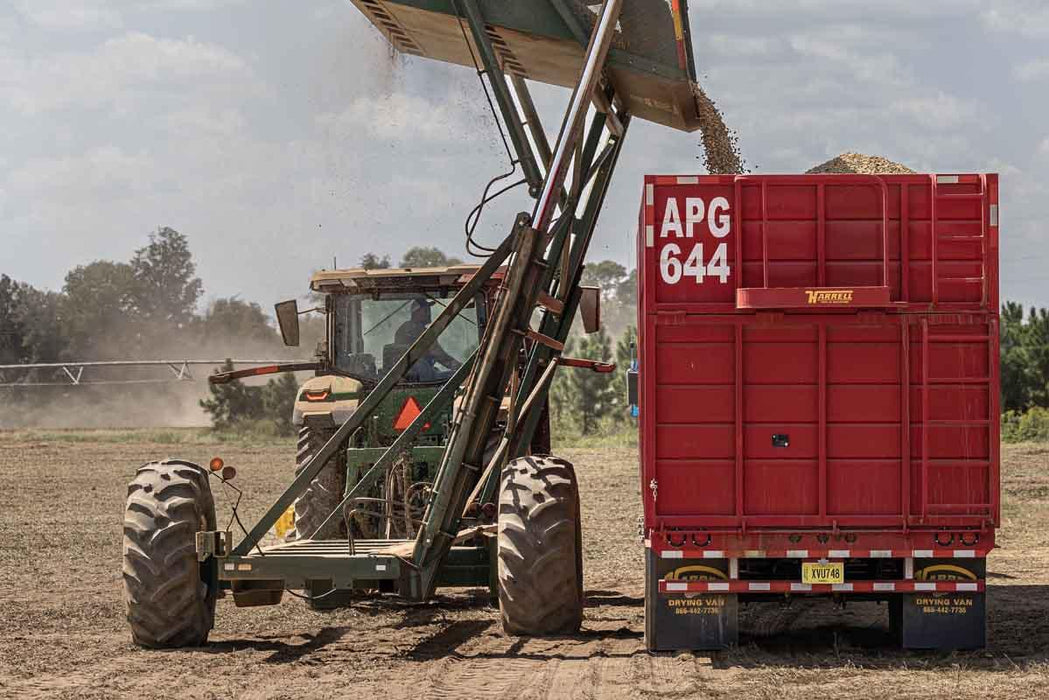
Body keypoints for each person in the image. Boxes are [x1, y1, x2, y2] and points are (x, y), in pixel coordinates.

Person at [394, 298, 462, 372]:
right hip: (420, 373)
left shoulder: (404, 328)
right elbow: (437, 353)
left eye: (428, 310)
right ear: (416, 312)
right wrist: (458, 366)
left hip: (409, 373)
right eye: (425, 310)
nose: (429, 313)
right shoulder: (419, 331)